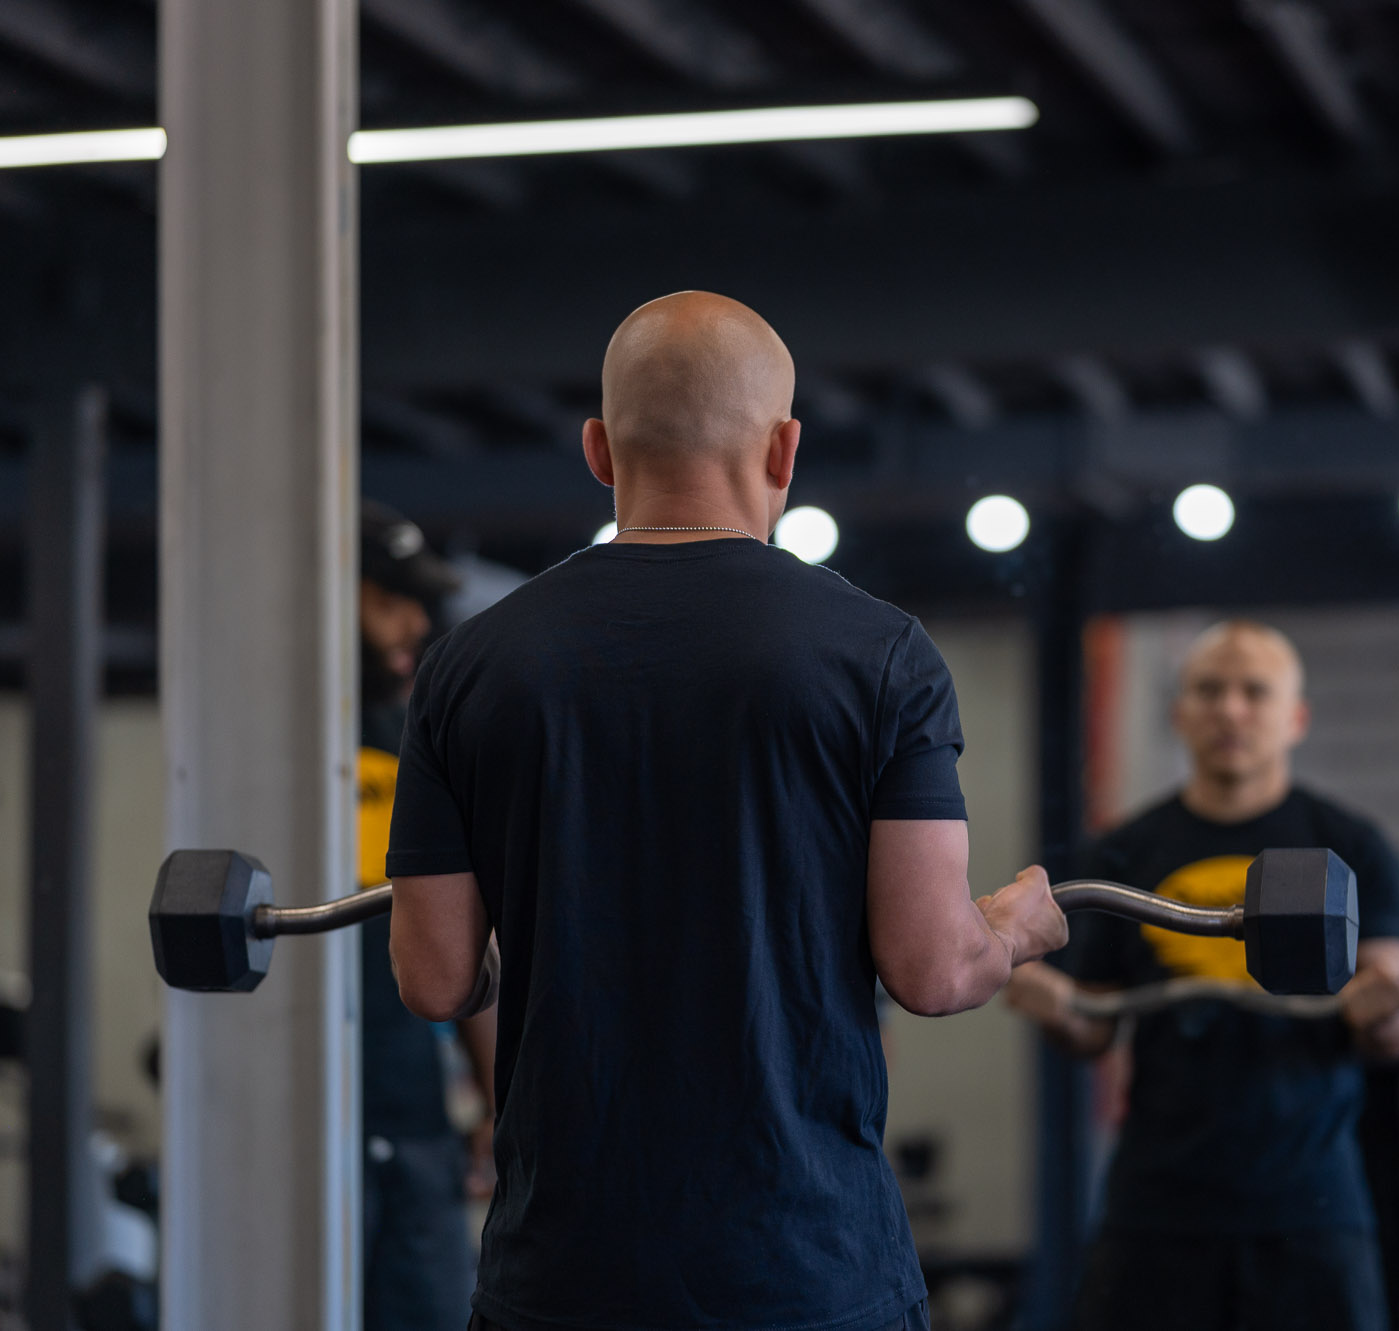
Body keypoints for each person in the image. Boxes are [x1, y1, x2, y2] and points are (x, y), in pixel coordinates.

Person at [381, 291, 1070, 1331]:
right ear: (785, 449)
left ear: (598, 450)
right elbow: (932, 968)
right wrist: (1020, 923)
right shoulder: (879, 656)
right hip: (804, 1274)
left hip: (562, 1281)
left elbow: (433, 976)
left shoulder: (468, 666)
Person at [1006, 620, 1399, 1331]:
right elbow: (1094, 1030)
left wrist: (1389, 1009)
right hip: (1160, 1201)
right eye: (1209, 690)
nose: (1230, 709)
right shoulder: (1123, 852)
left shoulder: (1350, 845)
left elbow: (1393, 1024)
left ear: (1294, 718)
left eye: (1254, 692)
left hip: (1310, 1203)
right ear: (1179, 713)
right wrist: (1055, 1004)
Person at [356, 500, 498, 1331]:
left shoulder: (410, 739)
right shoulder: (254, 747)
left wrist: (494, 1099)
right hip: (284, 1114)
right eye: (386, 598)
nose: (412, 621)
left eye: (417, 598)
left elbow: (468, 933)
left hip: (413, 1120)